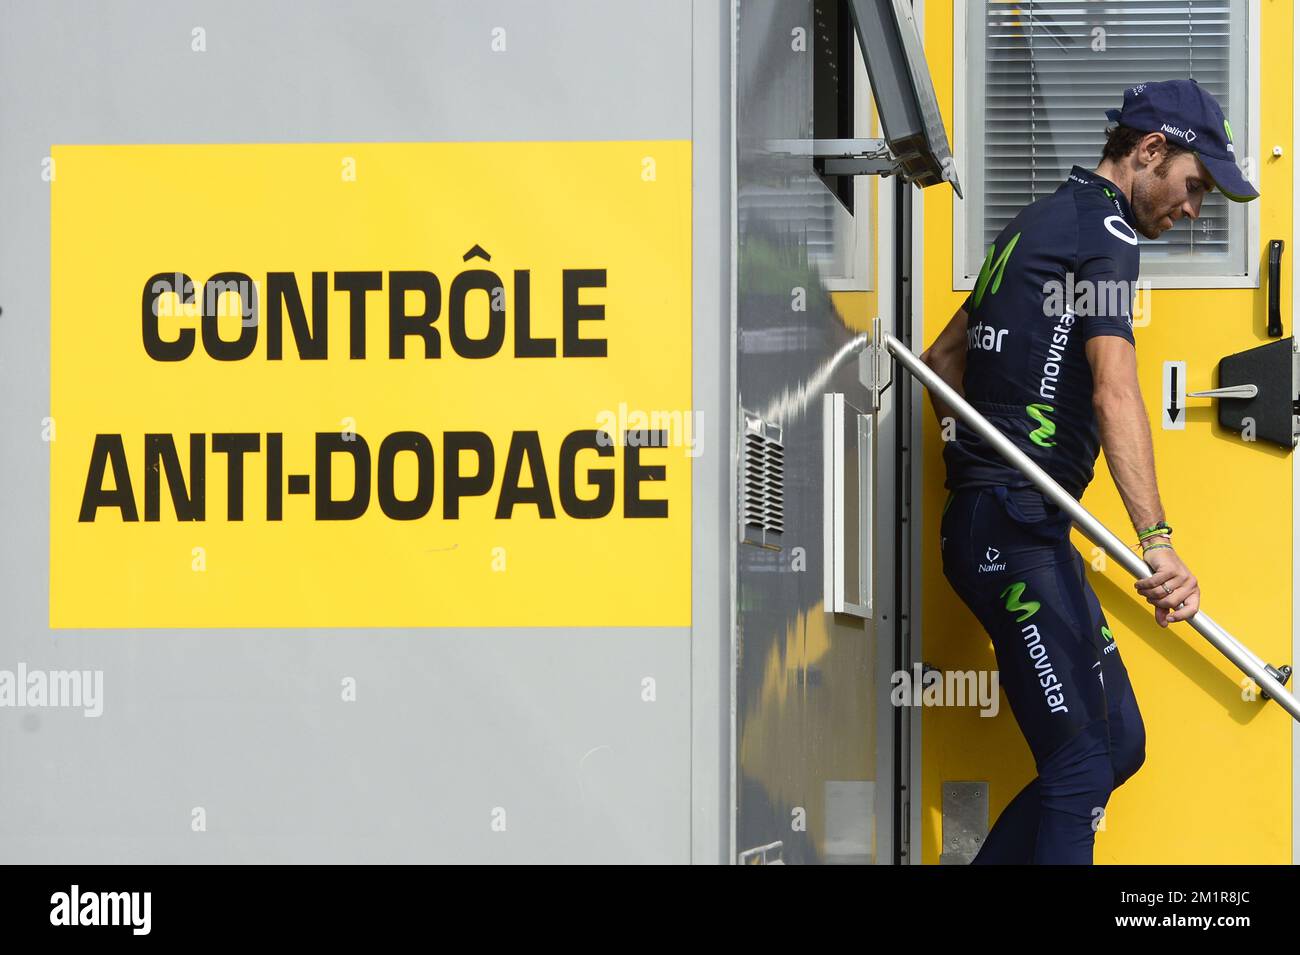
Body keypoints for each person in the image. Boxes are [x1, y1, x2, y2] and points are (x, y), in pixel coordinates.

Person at [919, 79, 1259, 864]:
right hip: (1012, 523)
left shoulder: (1037, 222)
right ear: (1149, 151)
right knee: (1078, 765)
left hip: (1017, 519)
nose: (1192, 209)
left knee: (1117, 745)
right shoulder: (1106, 235)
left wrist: (973, 466)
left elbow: (941, 359)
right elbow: (1114, 389)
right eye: (1194, 185)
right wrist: (1159, 541)